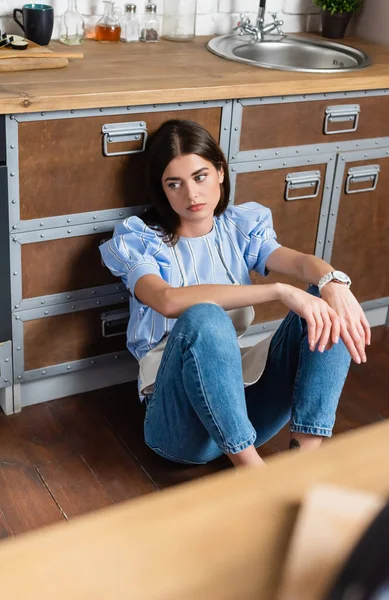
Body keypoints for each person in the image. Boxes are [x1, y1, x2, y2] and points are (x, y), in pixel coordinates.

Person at [100, 119, 371, 469]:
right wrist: (279, 290)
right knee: (205, 317)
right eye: (174, 184)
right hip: (181, 427)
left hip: (243, 405)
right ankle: (253, 474)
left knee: (323, 306)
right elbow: (167, 300)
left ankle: (305, 463)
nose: (192, 195)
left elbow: (303, 263)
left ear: (220, 173)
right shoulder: (143, 242)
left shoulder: (238, 228)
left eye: (200, 177)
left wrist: (334, 283)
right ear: (163, 191)